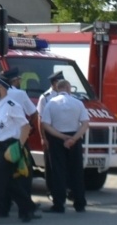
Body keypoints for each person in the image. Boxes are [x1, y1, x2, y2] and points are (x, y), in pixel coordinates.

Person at [0, 73, 36, 224]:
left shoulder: (12, 106)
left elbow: (25, 127)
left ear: (1, 88)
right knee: (10, 183)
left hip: (10, 147)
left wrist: (18, 146)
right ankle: (28, 208)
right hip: (0, 146)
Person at [37, 74, 90, 213]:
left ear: (58, 88)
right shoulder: (78, 103)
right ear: (68, 88)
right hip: (75, 137)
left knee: (58, 172)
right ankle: (80, 203)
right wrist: (74, 138)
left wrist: (61, 136)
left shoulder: (51, 103)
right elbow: (85, 123)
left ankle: (59, 204)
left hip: (56, 138)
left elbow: (45, 124)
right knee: (76, 171)